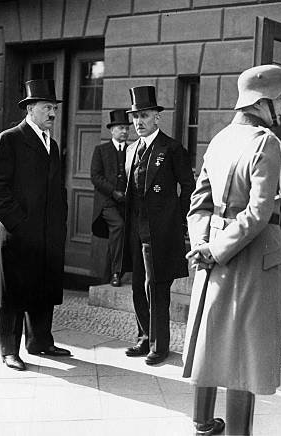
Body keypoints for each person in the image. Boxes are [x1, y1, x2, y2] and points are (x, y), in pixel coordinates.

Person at [182, 64, 281, 436]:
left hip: (213, 248)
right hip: (252, 255)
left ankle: (202, 423)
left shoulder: (219, 139)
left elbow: (198, 204)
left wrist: (203, 245)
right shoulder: (267, 142)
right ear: (262, 103)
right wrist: (215, 250)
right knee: (245, 345)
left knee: (211, 335)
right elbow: (260, 212)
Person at [0, 79, 71, 371]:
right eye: (47, 108)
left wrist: (59, 223)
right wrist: (17, 221)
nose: (52, 113)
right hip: (18, 234)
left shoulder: (51, 144)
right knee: (13, 294)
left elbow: (56, 189)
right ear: (30, 109)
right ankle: (9, 350)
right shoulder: (10, 139)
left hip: (47, 235)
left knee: (43, 288)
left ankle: (40, 342)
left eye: (54, 108)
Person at [121, 86, 195, 365]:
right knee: (138, 285)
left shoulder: (172, 148)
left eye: (144, 115)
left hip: (161, 230)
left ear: (157, 118)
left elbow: (189, 188)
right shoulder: (131, 150)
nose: (139, 122)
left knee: (157, 286)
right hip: (135, 229)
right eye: (135, 116)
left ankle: (159, 345)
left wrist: (178, 221)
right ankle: (143, 338)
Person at [90, 109, 132, 287]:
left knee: (126, 233)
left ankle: (117, 273)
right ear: (112, 130)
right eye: (121, 128)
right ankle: (116, 273)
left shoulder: (132, 150)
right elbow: (95, 176)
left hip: (127, 202)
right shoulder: (101, 150)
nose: (124, 131)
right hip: (107, 203)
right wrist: (113, 192)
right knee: (119, 226)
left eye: (126, 128)